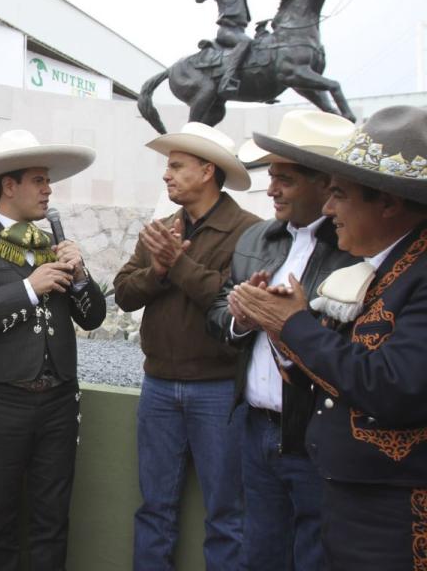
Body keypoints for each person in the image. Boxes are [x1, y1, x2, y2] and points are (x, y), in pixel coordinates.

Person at [229, 105, 427, 569]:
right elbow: (347, 370)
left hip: (396, 515)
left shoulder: (418, 273)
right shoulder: (393, 269)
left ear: (389, 202)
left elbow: (394, 386)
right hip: (361, 501)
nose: (329, 208)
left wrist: (293, 324)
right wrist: (281, 328)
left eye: (338, 194)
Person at [0, 129, 107, 571]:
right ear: (8, 186)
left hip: (59, 400)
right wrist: (28, 289)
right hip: (2, 403)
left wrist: (82, 272)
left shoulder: (53, 244)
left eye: (48, 181)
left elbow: (92, 318)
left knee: (53, 518)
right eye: (39, 180)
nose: (48, 189)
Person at [208, 111, 360, 570]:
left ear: (325, 185)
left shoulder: (356, 246)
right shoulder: (257, 237)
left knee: (316, 555)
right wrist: (242, 316)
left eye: (285, 180)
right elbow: (218, 313)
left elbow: (356, 346)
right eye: (271, 177)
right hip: (255, 429)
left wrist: (289, 319)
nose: (270, 189)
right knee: (261, 552)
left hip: (316, 434)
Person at [113, 122, 259, 571]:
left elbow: (235, 302)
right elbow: (122, 292)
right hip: (157, 385)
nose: (166, 175)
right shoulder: (160, 229)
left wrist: (177, 264)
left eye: (176, 166)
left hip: (218, 390)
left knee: (226, 515)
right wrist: (157, 270)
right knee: (154, 509)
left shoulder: (249, 232)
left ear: (207, 171)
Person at [195, 0, 275, 97]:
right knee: (245, 42)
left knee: (257, 46)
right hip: (226, 30)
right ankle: (227, 79)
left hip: (240, 29)